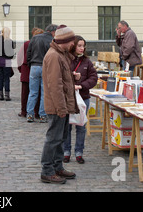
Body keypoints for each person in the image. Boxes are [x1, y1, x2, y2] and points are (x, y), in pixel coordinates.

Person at [40, 25, 78, 184]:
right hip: (57, 106)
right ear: (66, 41)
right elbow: (55, 85)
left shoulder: (60, 54)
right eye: (72, 41)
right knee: (53, 138)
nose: (73, 44)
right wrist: (61, 108)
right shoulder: (54, 56)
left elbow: (62, 79)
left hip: (60, 105)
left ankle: (57, 166)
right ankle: (47, 170)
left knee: (60, 137)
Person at [63, 35, 98, 164]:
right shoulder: (66, 59)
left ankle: (79, 152)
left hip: (83, 98)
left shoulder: (87, 62)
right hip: (68, 98)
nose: (82, 48)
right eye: (79, 45)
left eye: (83, 46)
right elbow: (61, 77)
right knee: (67, 126)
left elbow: (93, 78)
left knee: (81, 126)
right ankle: (66, 152)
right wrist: (73, 79)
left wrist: (81, 84)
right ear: (73, 46)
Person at [26, 24, 57, 122]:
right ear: (53, 32)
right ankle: (42, 115)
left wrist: (30, 63)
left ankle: (30, 114)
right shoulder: (52, 41)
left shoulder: (35, 38)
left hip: (34, 66)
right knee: (45, 93)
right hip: (46, 67)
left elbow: (29, 52)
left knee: (32, 92)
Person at [17, 27, 43, 117]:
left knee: (26, 93)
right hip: (38, 68)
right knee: (39, 92)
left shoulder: (27, 43)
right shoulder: (43, 44)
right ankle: (37, 112)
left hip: (26, 70)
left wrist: (21, 68)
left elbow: (19, 57)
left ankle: (25, 111)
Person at [0, 27, 15, 101]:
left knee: (0, 78)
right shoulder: (10, 41)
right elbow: (11, 54)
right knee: (7, 78)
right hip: (7, 61)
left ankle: (0, 94)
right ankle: (7, 95)